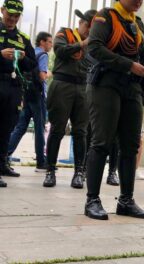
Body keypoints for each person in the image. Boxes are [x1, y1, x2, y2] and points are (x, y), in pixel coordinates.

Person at [84, 0, 144, 220]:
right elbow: (94, 48)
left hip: (132, 88)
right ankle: (92, 200)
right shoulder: (105, 16)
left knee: (130, 144)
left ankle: (126, 200)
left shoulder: (137, 23)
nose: (139, 2)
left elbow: (143, 55)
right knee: (101, 142)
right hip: (105, 84)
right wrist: (128, 65)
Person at [43, 9, 97, 188]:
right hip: (62, 84)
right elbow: (59, 50)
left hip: (83, 86)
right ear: (82, 23)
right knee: (57, 129)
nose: (90, 31)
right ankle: (50, 170)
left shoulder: (94, 42)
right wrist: (82, 44)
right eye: (89, 27)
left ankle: (79, 172)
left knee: (81, 132)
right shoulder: (64, 33)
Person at [0, 0, 36, 187]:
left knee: (7, 126)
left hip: (13, 86)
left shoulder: (22, 37)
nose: (12, 19)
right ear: (2, 10)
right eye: (10, 14)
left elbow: (32, 63)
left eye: (16, 16)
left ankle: (3, 164)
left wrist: (23, 58)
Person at [8, 31, 52, 173]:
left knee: (20, 127)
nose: (51, 45)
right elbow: (42, 76)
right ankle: (41, 161)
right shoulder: (43, 55)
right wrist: (51, 73)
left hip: (27, 93)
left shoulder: (31, 53)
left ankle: (5, 155)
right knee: (39, 128)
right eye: (49, 42)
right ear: (42, 42)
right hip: (38, 95)